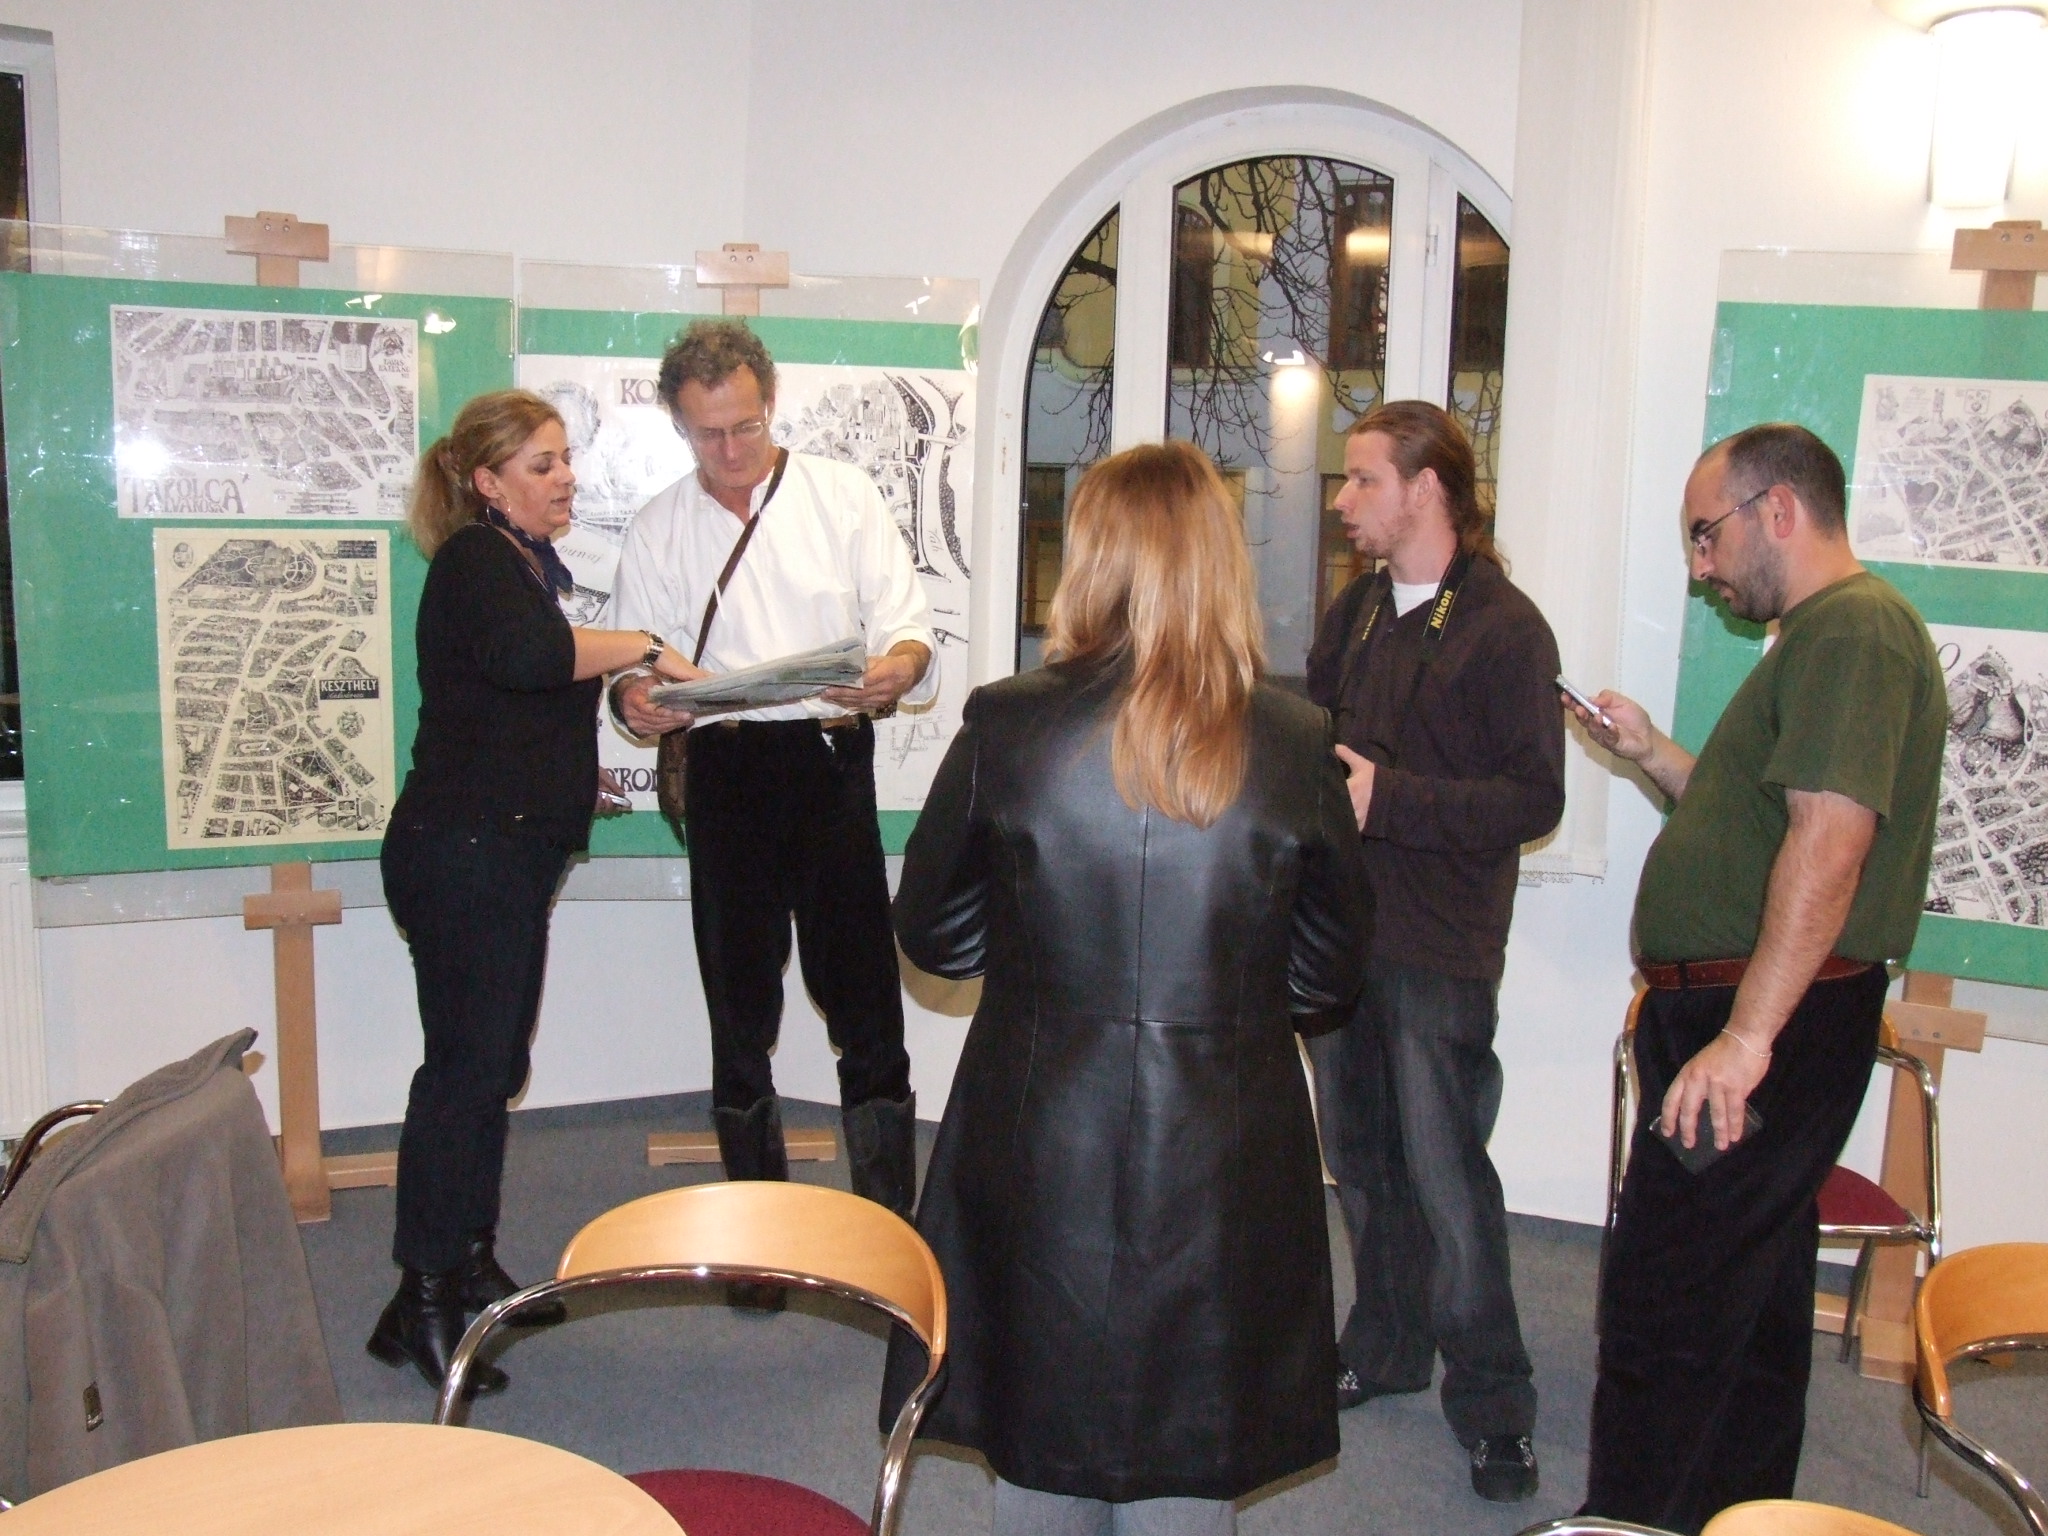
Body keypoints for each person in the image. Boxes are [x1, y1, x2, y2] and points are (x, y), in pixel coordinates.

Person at [880, 441, 1372, 1536]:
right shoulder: (1297, 740)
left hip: (1042, 1130)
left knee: (1040, 1434)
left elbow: (936, 936)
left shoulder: (1008, 722)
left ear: (1090, 559)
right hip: (1224, 1146)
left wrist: (1034, 955)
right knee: (1193, 1450)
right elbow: (1327, 974)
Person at [1568, 423, 1945, 1534]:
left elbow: (1828, 846)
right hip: (1757, 1013)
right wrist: (1649, 752)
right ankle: (1735, 1516)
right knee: (1750, 1294)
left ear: (1777, 509)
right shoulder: (1821, 637)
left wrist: (1743, 1040)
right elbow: (1762, 825)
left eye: (1706, 534)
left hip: (1761, 1023)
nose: (1701, 567)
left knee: (1667, 1297)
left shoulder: (1853, 634)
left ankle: (1635, 1525)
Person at [370, 390, 701, 1394]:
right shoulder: (478, 557)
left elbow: (500, 700)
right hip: (464, 854)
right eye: (543, 464)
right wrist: (645, 643)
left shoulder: (516, 563)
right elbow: (529, 659)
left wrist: (566, 777)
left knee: (490, 1066)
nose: (566, 480)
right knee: (464, 1074)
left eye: (565, 460)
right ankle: (422, 1297)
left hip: (496, 848)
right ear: (488, 481)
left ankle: (466, 1262)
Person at [609, 320, 934, 1232]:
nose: (730, 450)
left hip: (828, 759)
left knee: (863, 995)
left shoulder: (843, 495)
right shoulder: (660, 524)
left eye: (745, 426)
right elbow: (632, 660)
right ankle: (756, 1225)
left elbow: (908, 626)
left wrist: (897, 670)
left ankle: (888, 1223)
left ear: (770, 402)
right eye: (708, 433)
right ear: (680, 426)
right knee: (738, 1000)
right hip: (726, 767)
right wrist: (636, 701)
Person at [1300, 400, 1564, 1502]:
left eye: (1363, 478)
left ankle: (1495, 1405)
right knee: (1359, 1162)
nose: (1342, 500)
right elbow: (1317, 744)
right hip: (1341, 935)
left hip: (1440, 948)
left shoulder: (1506, 629)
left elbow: (1534, 798)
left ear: (1427, 489)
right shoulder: (1356, 610)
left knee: (1448, 1180)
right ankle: (1386, 1346)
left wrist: (1391, 800)